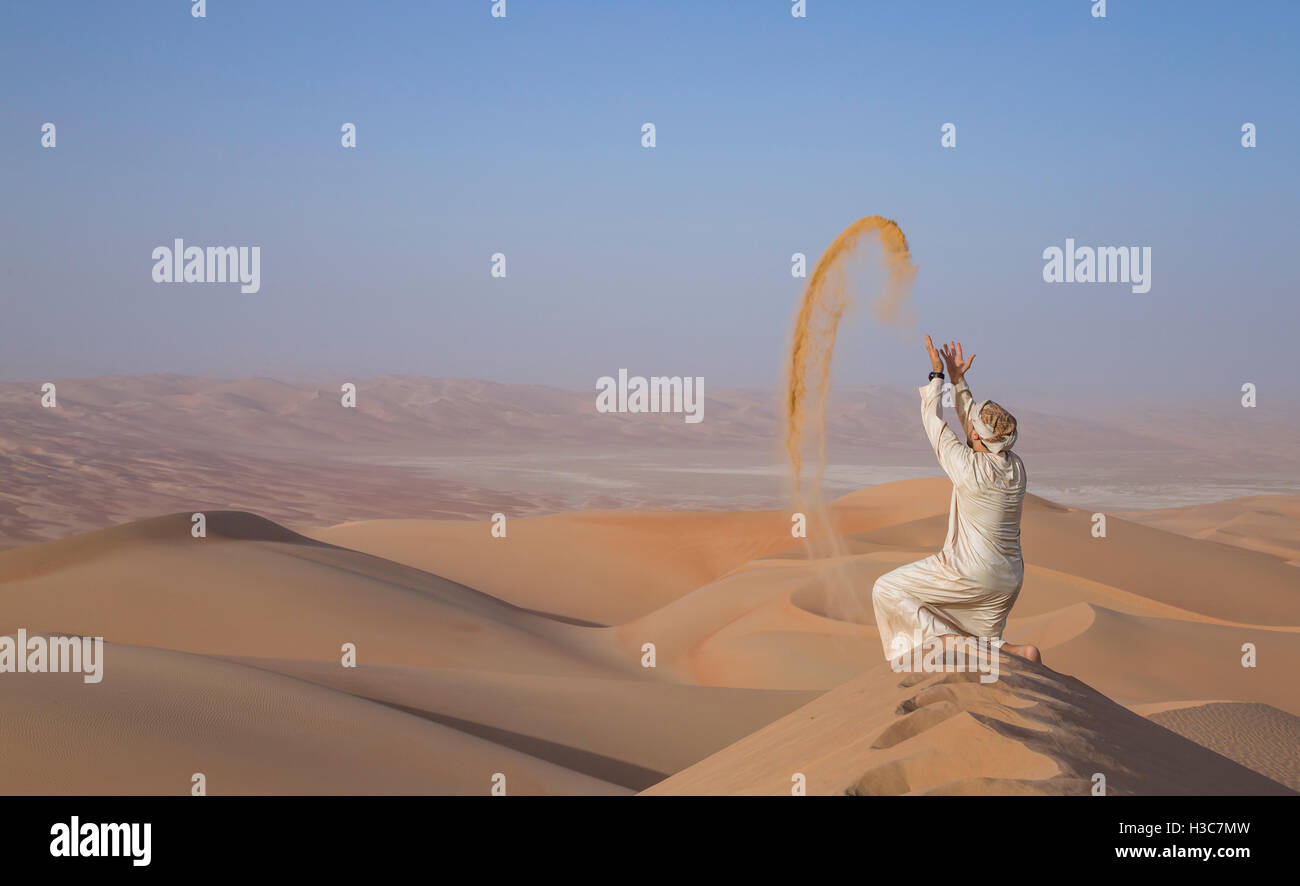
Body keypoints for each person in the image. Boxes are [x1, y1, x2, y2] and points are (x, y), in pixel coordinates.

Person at [870, 336, 1042, 664]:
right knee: (987, 643)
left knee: (886, 589)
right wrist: (958, 380)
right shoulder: (1015, 467)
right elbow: (975, 428)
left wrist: (937, 377)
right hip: (1008, 580)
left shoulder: (968, 468)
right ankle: (1017, 654)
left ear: (977, 436)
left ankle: (946, 648)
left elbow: (934, 423)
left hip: (968, 573)